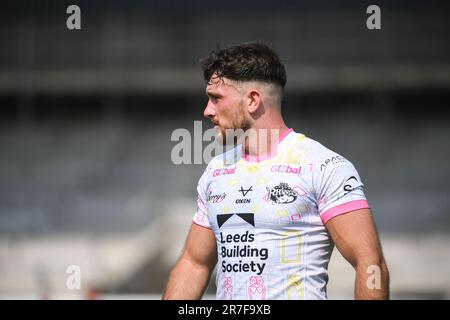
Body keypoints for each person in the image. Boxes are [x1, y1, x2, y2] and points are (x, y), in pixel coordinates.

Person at [163, 42, 389, 300]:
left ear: (252, 100)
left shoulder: (325, 166)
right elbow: (194, 263)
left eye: (216, 98)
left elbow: (371, 264)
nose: (207, 111)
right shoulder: (217, 171)